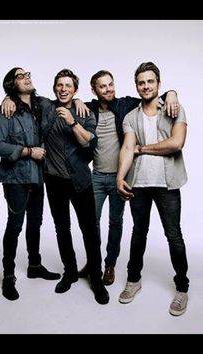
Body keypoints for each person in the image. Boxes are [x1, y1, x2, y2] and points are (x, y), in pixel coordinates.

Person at [1, 69, 109, 305]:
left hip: (81, 181)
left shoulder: (84, 111)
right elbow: (22, 96)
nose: (63, 89)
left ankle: (96, 277)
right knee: (62, 229)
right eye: (60, 85)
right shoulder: (45, 106)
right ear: (54, 88)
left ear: (75, 90)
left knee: (89, 230)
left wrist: (72, 122)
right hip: (54, 180)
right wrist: (7, 98)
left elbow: (89, 142)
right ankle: (69, 271)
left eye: (68, 86)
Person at [78, 70, 179, 286]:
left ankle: (110, 265)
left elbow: (153, 95)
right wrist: (76, 99)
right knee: (91, 223)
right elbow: (62, 103)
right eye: (102, 86)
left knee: (116, 223)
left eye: (111, 84)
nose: (108, 89)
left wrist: (172, 93)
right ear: (94, 90)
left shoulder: (126, 105)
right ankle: (93, 262)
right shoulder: (88, 109)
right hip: (96, 176)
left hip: (121, 177)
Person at [116, 62, 189, 316]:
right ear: (136, 86)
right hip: (140, 184)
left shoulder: (174, 109)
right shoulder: (130, 117)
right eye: (141, 82)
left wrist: (144, 149)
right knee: (138, 234)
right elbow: (127, 148)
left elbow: (176, 143)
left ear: (159, 83)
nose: (145, 86)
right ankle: (133, 281)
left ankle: (182, 288)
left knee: (174, 235)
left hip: (167, 185)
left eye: (150, 81)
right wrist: (120, 176)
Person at [0, 67, 60, 301]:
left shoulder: (41, 105)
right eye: (20, 76)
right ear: (11, 84)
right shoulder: (5, 111)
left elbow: (62, 101)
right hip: (15, 178)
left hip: (38, 177)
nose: (27, 77)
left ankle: (34, 265)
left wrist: (77, 98)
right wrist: (28, 151)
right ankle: (9, 275)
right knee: (15, 225)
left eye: (27, 73)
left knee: (35, 224)